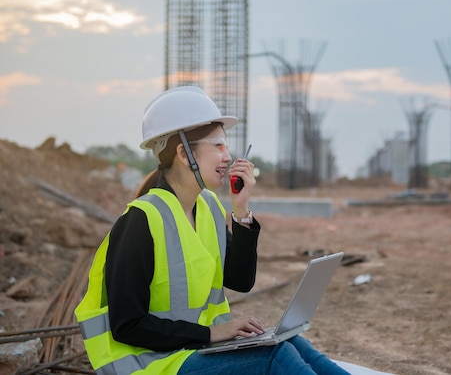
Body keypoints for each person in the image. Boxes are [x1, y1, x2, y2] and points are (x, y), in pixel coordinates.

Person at [74, 86, 351, 374]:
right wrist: (211, 334)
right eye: (218, 146)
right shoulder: (140, 221)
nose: (227, 156)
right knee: (274, 356)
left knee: (292, 342)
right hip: (151, 364)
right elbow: (127, 326)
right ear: (184, 153)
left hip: (190, 350)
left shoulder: (207, 207)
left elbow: (240, 280)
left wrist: (241, 211)